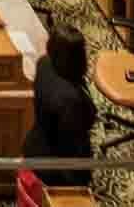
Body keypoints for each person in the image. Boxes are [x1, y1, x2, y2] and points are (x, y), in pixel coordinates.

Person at [25, 25, 97, 184]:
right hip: (57, 164)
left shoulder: (43, 63)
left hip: (35, 143)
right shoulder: (70, 99)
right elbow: (72, 142)